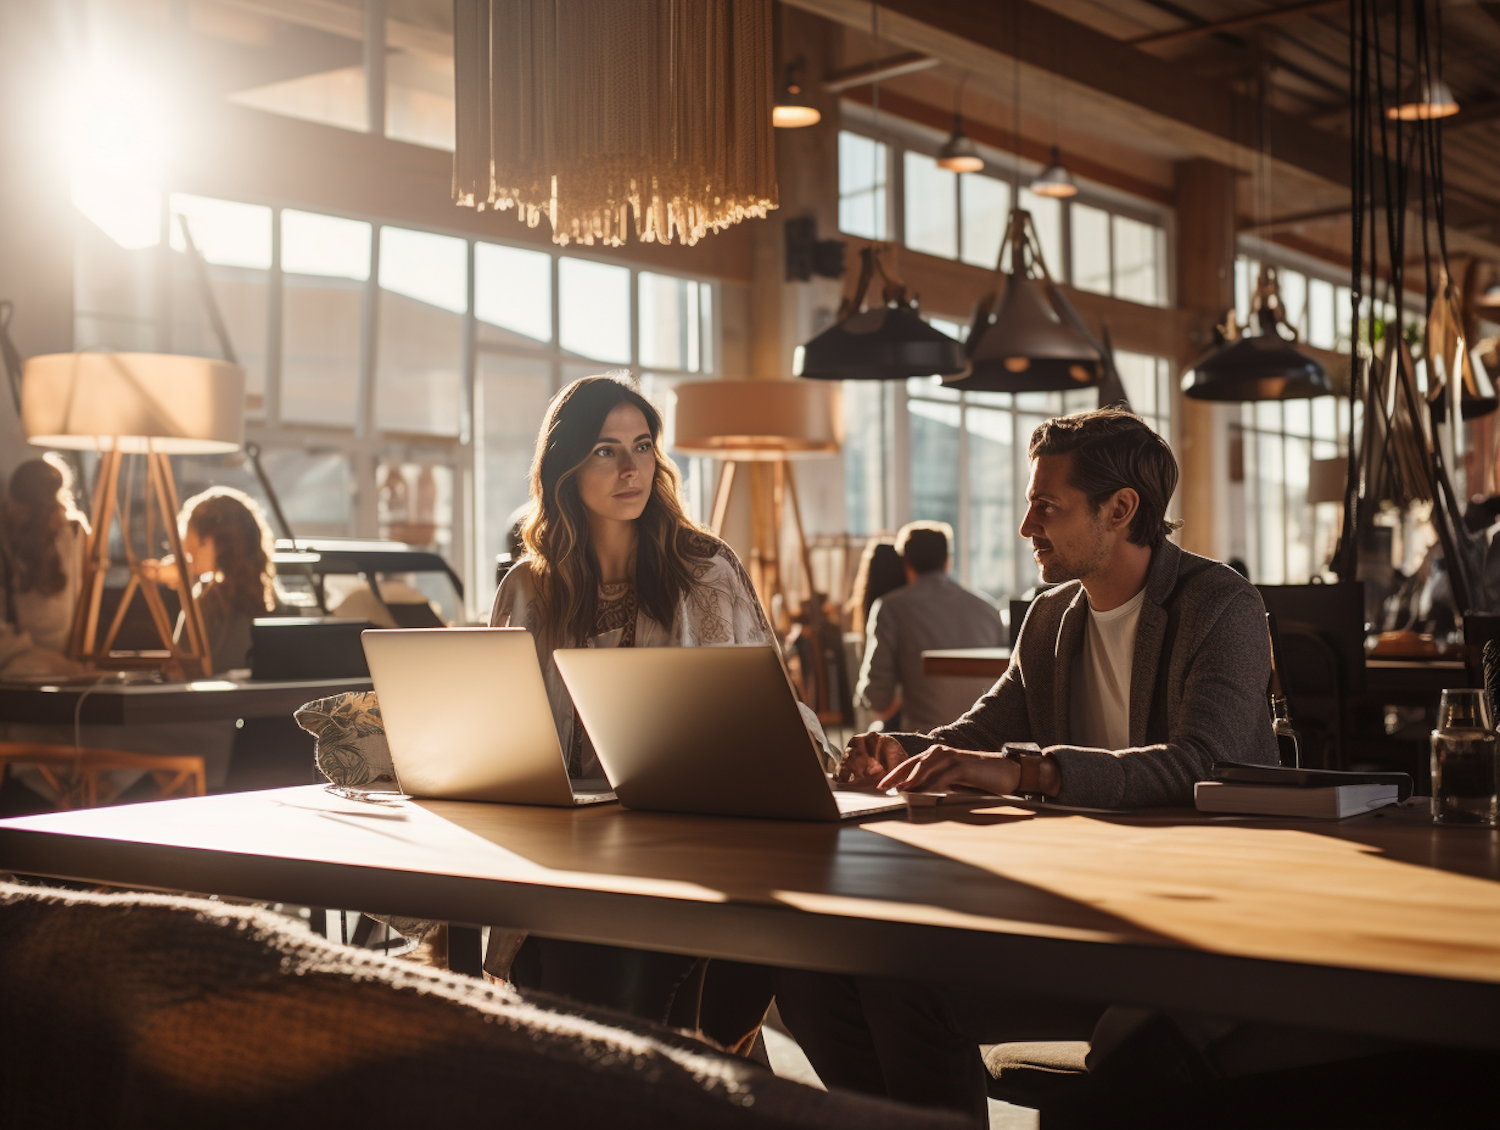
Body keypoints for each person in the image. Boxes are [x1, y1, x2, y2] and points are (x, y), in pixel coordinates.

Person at [776, 407, 1278, 1122]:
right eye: (1028, 504)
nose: (1026, 527)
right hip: (1076, 910)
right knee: (812, 976)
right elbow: (982, 733)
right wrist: (903, 751)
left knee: (905, 984)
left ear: (1121, 509)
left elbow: (1205, 766)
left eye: (1047, 506)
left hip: (1188, 931)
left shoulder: (1220, 605)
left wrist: (1030, 773)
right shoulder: (1050, 619)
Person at [486, 373, 793, 1052]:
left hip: (691, 851)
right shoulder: (527, 590)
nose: (631, 468)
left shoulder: (705, 569)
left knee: (602, 990)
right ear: (565, 466)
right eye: (605, 450)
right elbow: (503, 732)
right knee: (563, 987)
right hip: (565, 854)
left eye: (643, 445)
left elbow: (768, 714)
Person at [854, 521, 1005, 736]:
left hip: (925, 740)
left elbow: (877, 697)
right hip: (984, 737)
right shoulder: (988, 608)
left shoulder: (891, 607)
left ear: (906, 562)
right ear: (947, 561)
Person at [154, 488, 279, 672]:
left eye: (190, 537)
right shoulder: (273, 600)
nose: (184, 547)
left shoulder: (205, 604)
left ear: (211, 542)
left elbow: (181, 670)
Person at [2, 457, 89, 654]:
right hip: (69, 648)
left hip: (21, 654)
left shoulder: (11, 532)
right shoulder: (74, 532)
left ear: (15, 502)